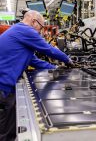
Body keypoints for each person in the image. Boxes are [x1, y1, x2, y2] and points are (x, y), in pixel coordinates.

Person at [0, 10, 73, 141]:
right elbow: (48, 49)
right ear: (34, 22)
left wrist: (55, 68)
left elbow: (34, 60)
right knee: (6, 130)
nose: (41, 30)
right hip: (3, 86)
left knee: (8, 125)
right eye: (41, 26)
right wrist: (68, 60)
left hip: (4, 84)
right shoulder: (25, 31)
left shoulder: (18, 31)